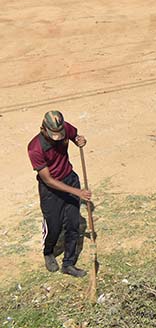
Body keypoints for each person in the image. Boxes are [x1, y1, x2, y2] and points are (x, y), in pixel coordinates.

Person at [26, 110, 92, 277]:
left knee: (72, 225)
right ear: (43, 129)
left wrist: (79, 141)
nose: (58, 137)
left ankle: (68, 264)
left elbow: (75, 136)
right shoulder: (35, 148)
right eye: (53, 134)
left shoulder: (65, 129)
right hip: (51, 190)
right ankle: (48, 252)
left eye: (60, 133)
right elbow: (48, 180)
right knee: (54, 226)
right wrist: (77, 192)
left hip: (69, 179)